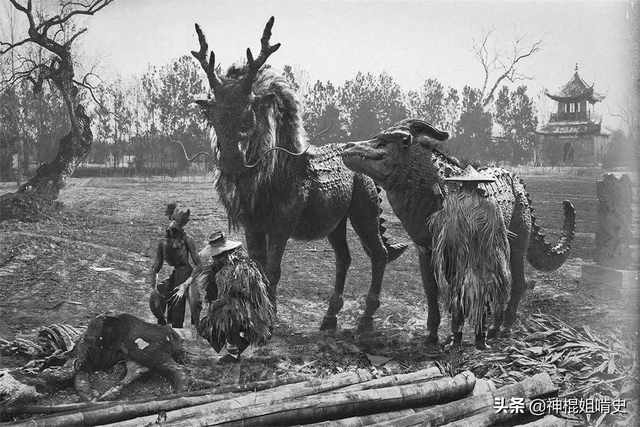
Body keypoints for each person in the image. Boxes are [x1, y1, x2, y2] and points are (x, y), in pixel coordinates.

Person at [196, 231, 274, 363]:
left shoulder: (239, 269)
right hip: (233, 308)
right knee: (204, 327)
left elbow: (239, 296)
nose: (213, 258)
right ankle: (239, 344)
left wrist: (218, 304)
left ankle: (233, 354)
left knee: (227, 315)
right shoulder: (217, 269)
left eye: (216, 254)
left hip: (248, 311)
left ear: (223, 253)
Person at [148, 203, 202, 332]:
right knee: (160, 294)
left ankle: (198, 332)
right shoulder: (163, 243)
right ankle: (164, 326)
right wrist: (153, 288)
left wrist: (186, 284)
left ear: (183, 224)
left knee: (194, 302)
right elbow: (156, 266)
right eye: (173, 221)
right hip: (174, 275)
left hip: (187, 274)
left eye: (178, 222)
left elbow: (199, 265)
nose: (174, 224)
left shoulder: (188, 240)